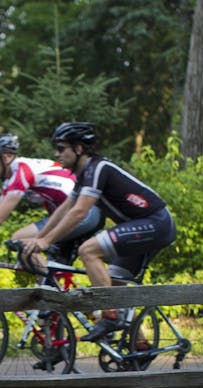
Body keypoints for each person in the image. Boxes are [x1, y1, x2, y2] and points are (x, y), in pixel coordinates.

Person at [20, 122, 176, 341]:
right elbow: (64, 209)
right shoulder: (84, 176)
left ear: (79, 149)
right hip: (139, 226)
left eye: (61, 148)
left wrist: (46, 241)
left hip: (156, 222)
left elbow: (79, 212)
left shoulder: (98, 168)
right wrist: (39, 237)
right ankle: (140, 347)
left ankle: (109, 316)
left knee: (88, 250)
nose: (57, 154)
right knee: (113, 287)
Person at [0, 134, 102, 267]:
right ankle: (51, 299)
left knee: (20, 239)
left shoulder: (22, 171)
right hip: (73, 214)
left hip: (83, 212)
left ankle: (51, 294)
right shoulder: (14, 176)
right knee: (28, 255)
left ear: (6, 157)